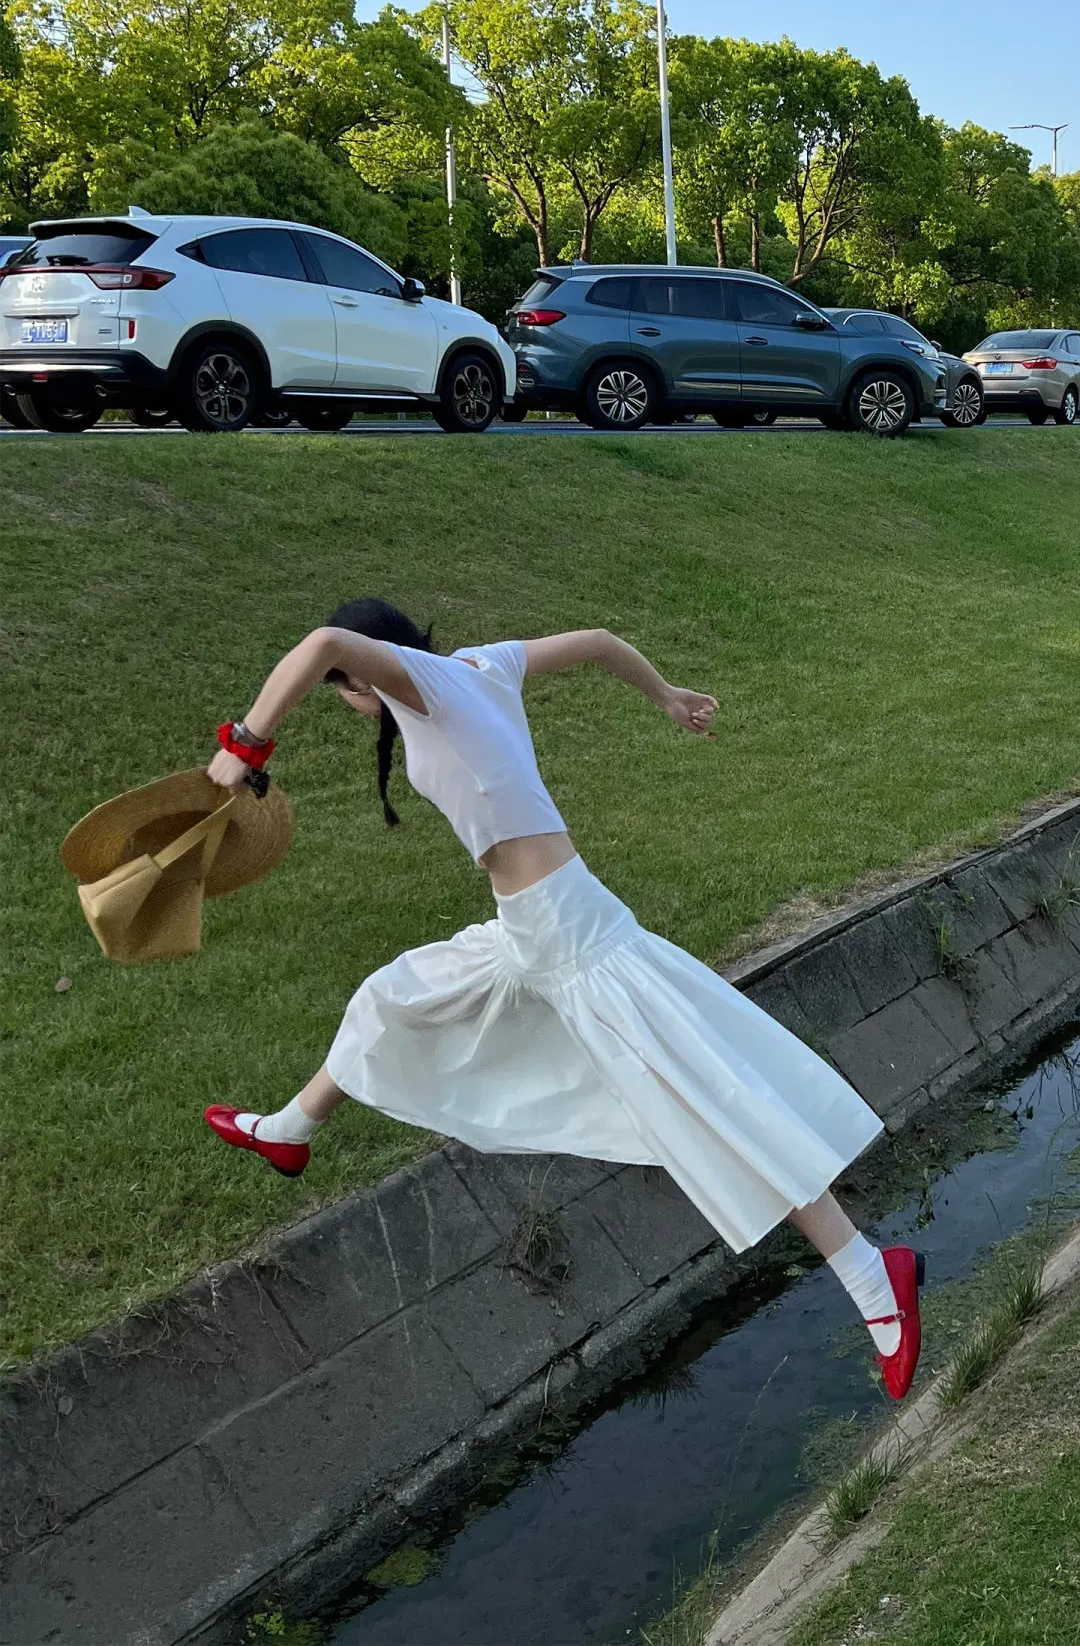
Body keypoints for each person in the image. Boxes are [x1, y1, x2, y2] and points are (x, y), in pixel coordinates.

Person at [204, 598, 924, 1400]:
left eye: (343, 687)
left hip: (574, 942)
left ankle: (875, 1277)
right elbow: (601, 641)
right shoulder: (482, 664)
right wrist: (665, 695)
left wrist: (244, 746)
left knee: (710, 1112)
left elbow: (322, 641)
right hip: (533, 929)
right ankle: (288, 1131)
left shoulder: (424, 684)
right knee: (394, 998)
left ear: (358, 677)